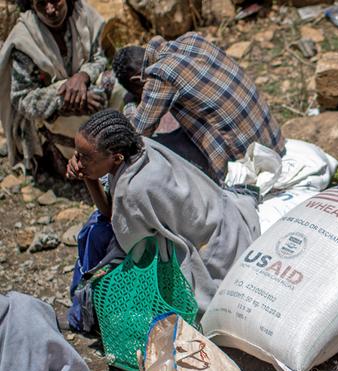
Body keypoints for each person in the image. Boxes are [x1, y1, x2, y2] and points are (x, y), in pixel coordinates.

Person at [66, 109, 262, 310]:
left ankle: (82, 311)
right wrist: (87, 176)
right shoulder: (140, 147)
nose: (78, 162)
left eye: (84, 157)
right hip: (226, 221)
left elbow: (134, 248)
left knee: (98, 237)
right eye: (77, 154)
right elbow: (111, 212)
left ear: (116, 158)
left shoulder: (134, 190)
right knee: (97, 228)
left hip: (214, 250)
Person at [112, 33, 285, 182]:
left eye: (138, 92)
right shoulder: (192, 40)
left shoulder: (159, 75)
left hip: (247, 163)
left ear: (137, 81)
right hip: (272, 141)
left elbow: (136, 134)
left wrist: (129, 102)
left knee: (156, 151)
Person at [0, 0, 121, 175]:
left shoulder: (83, 16)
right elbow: (22, 99)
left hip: (89, 92)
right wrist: (66, 96)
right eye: (41, 4)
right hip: (50, 120)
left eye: (56, 0)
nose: (50, 10)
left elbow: (99, 57)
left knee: (117, 85)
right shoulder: (24, 39)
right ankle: (87, 165)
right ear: (31, 5)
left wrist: (83, 76)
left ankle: (115, 151)